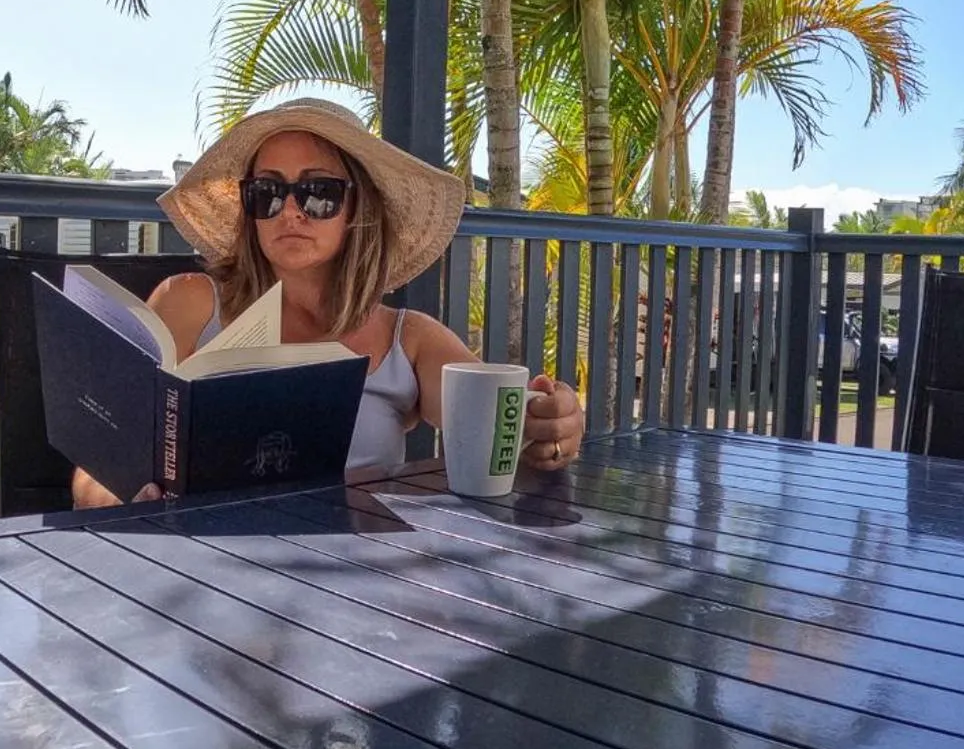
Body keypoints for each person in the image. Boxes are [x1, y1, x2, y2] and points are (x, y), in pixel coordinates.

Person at [71, 98, 587, 507]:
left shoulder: (409, 339)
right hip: (200, 571)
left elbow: (503, 427)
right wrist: (117, 495)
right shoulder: (189, 304)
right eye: (267, 192)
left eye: (319, 192)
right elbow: (93, 469)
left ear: (358, 208)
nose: (290, 211)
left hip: (354, 578)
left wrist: (553, 424)